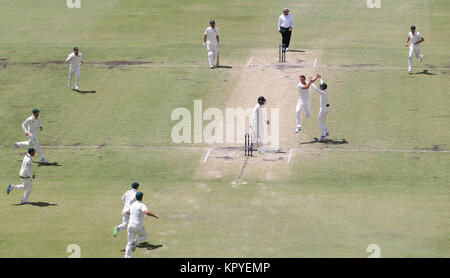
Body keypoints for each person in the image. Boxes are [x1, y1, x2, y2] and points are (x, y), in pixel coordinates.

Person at [124, 192, 159, 258]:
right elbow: (146, 212)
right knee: (144, 236)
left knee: (129, 242)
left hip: (130, 225)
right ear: (142, 197)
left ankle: (127, 257)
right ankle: (136, 241)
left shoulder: (133, 204)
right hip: (138, 225)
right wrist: (155, 216)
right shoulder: (142, 205)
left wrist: (134, 215)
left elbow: (127, 212)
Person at [310, 74, 330, 141]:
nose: (319, 87)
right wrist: (320, 78)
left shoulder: (322, 93)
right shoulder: (325, 90)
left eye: (320, 87)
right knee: (323, 121)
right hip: (326, 108)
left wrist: (311, 82)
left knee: (320, 122)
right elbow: (322, 83)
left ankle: (323, 135)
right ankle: (326, 132)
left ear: (322, 88)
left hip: (323, 109)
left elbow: (316, 89)